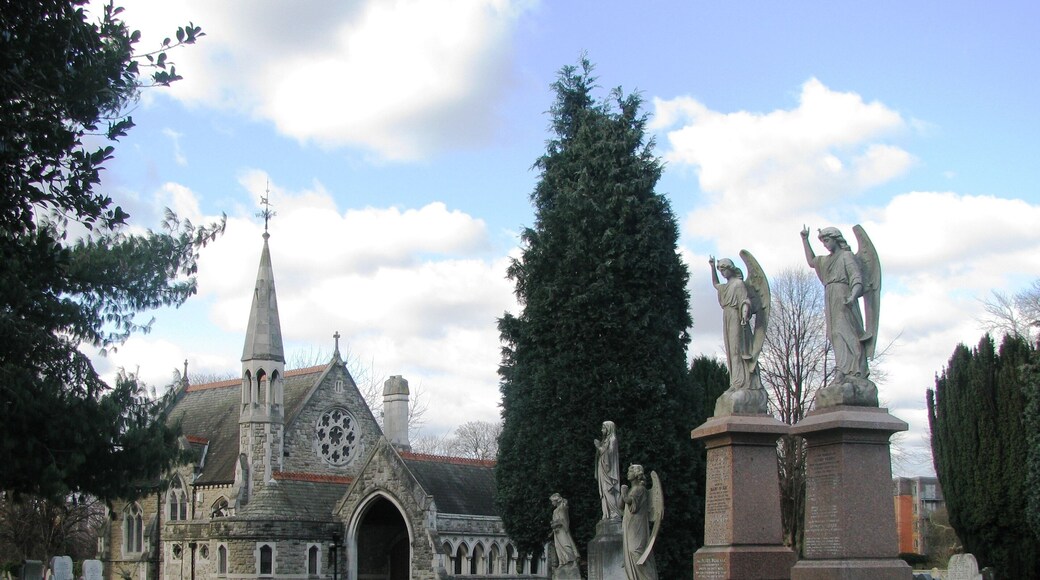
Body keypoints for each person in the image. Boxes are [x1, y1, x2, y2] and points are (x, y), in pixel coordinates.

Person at [800, 226, 869, 383]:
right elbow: (812, 261)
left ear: (836, 239)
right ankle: (842, 369)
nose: (825, 245)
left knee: (846, 331)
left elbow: (856, 278)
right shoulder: (826, 260)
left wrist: (853, 296)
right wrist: (805, 240)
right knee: (833, 333)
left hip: (843, 295)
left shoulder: (846, 256)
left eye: (827, 240)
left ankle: (856, 369)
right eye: (823, 242)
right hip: (830, 296)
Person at [709, 256, 755, 390]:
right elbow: (715, 284)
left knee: (736, 349)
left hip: (736, 316)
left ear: (731, 269)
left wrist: (744, 314)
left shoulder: (738, 284)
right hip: (727, 317)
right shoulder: (725, 287)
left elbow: (745, 301)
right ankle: (734, 380)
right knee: (730, 349)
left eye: (724, 270)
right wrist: (712, 268)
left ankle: (740, 382)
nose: (722, 273)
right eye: (720, 271)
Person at [621, 465, 658, 580]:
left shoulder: (640, 489)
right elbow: (620, 506)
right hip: (629, 525)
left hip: (638, 525)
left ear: (637, 474)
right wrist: (623, 494)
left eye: (630, 471)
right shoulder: (632, 490)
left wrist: (624, 492)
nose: (627, 473)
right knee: (630, 553)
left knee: (636, 552)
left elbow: (632, 505)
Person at [594, 421, 622, 520]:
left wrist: (599, 447)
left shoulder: (612, 439)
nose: (602, 430)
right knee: (603, 491)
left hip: (608, 471)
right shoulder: (605, 440)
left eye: (604, 428)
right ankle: (606, 513)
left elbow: (609, 455)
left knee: (608, 490)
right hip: (602, 468)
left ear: (609, 428)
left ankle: (615, 513)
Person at [549, 494, 580, 569]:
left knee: (565, 544)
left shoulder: (562, 508)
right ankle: (562, 562)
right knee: (558, 547)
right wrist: (552, 528)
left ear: (556, 500)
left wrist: (556, 523)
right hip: (557, 532)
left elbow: (563, 520)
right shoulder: (555, 511)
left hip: (562, 530)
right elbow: (555, 521)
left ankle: (572, 560)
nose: (552, 503)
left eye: (553, 501)